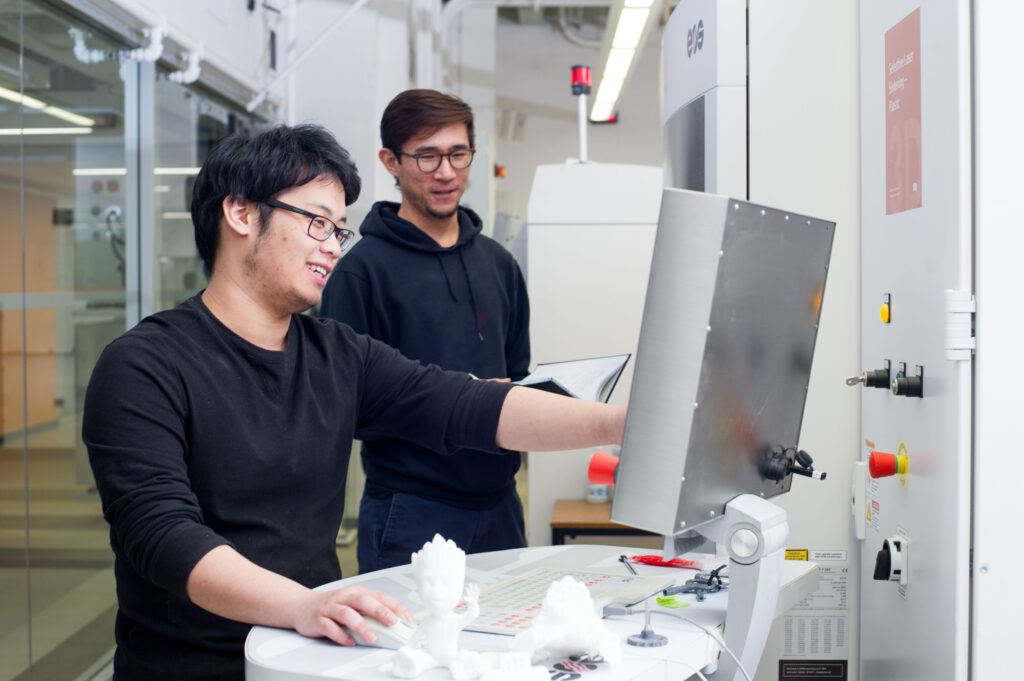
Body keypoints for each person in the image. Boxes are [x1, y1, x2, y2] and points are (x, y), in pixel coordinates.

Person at [82, 123, 625, 681]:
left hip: (309, 655)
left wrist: (622, 424)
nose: (331, 247)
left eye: (339, 231)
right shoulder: (144, 365)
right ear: (241, 213)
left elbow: (470, 406)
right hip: (193, 664)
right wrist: (300, 604)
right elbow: (161, 532)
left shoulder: (337, 353)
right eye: (317, 221)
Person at [320, 89, 531, 573]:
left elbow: (517, 374)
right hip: (411, 511)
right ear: (390, 161)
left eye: (458, 154)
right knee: (412, 649)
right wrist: (461, 405)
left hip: (501, 506)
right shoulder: (361, 273)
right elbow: (344, 406)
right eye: (427, 156)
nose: (446, 172)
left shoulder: (498, 264)